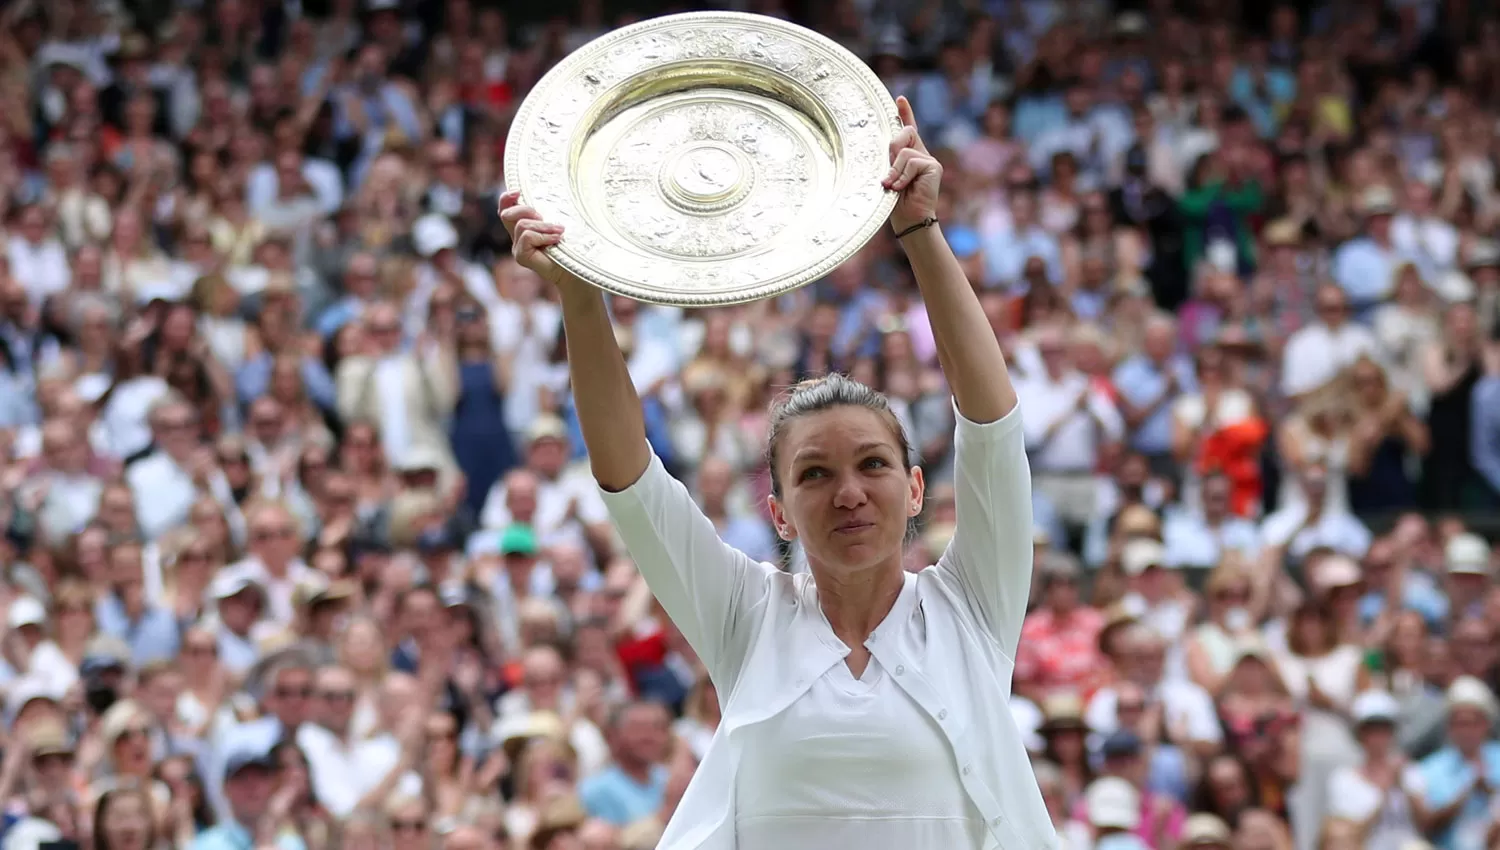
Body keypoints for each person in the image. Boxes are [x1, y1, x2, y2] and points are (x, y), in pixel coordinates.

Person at [499, 94, 1051, 848]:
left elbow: (993, 427)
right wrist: (581, 292)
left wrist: (919, 229)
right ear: (780, 510)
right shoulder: (747, 616)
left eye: (874, 464)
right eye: (815, 475)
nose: (850, 492)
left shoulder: (974, 610)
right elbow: (632, 482)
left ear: (916, 488)